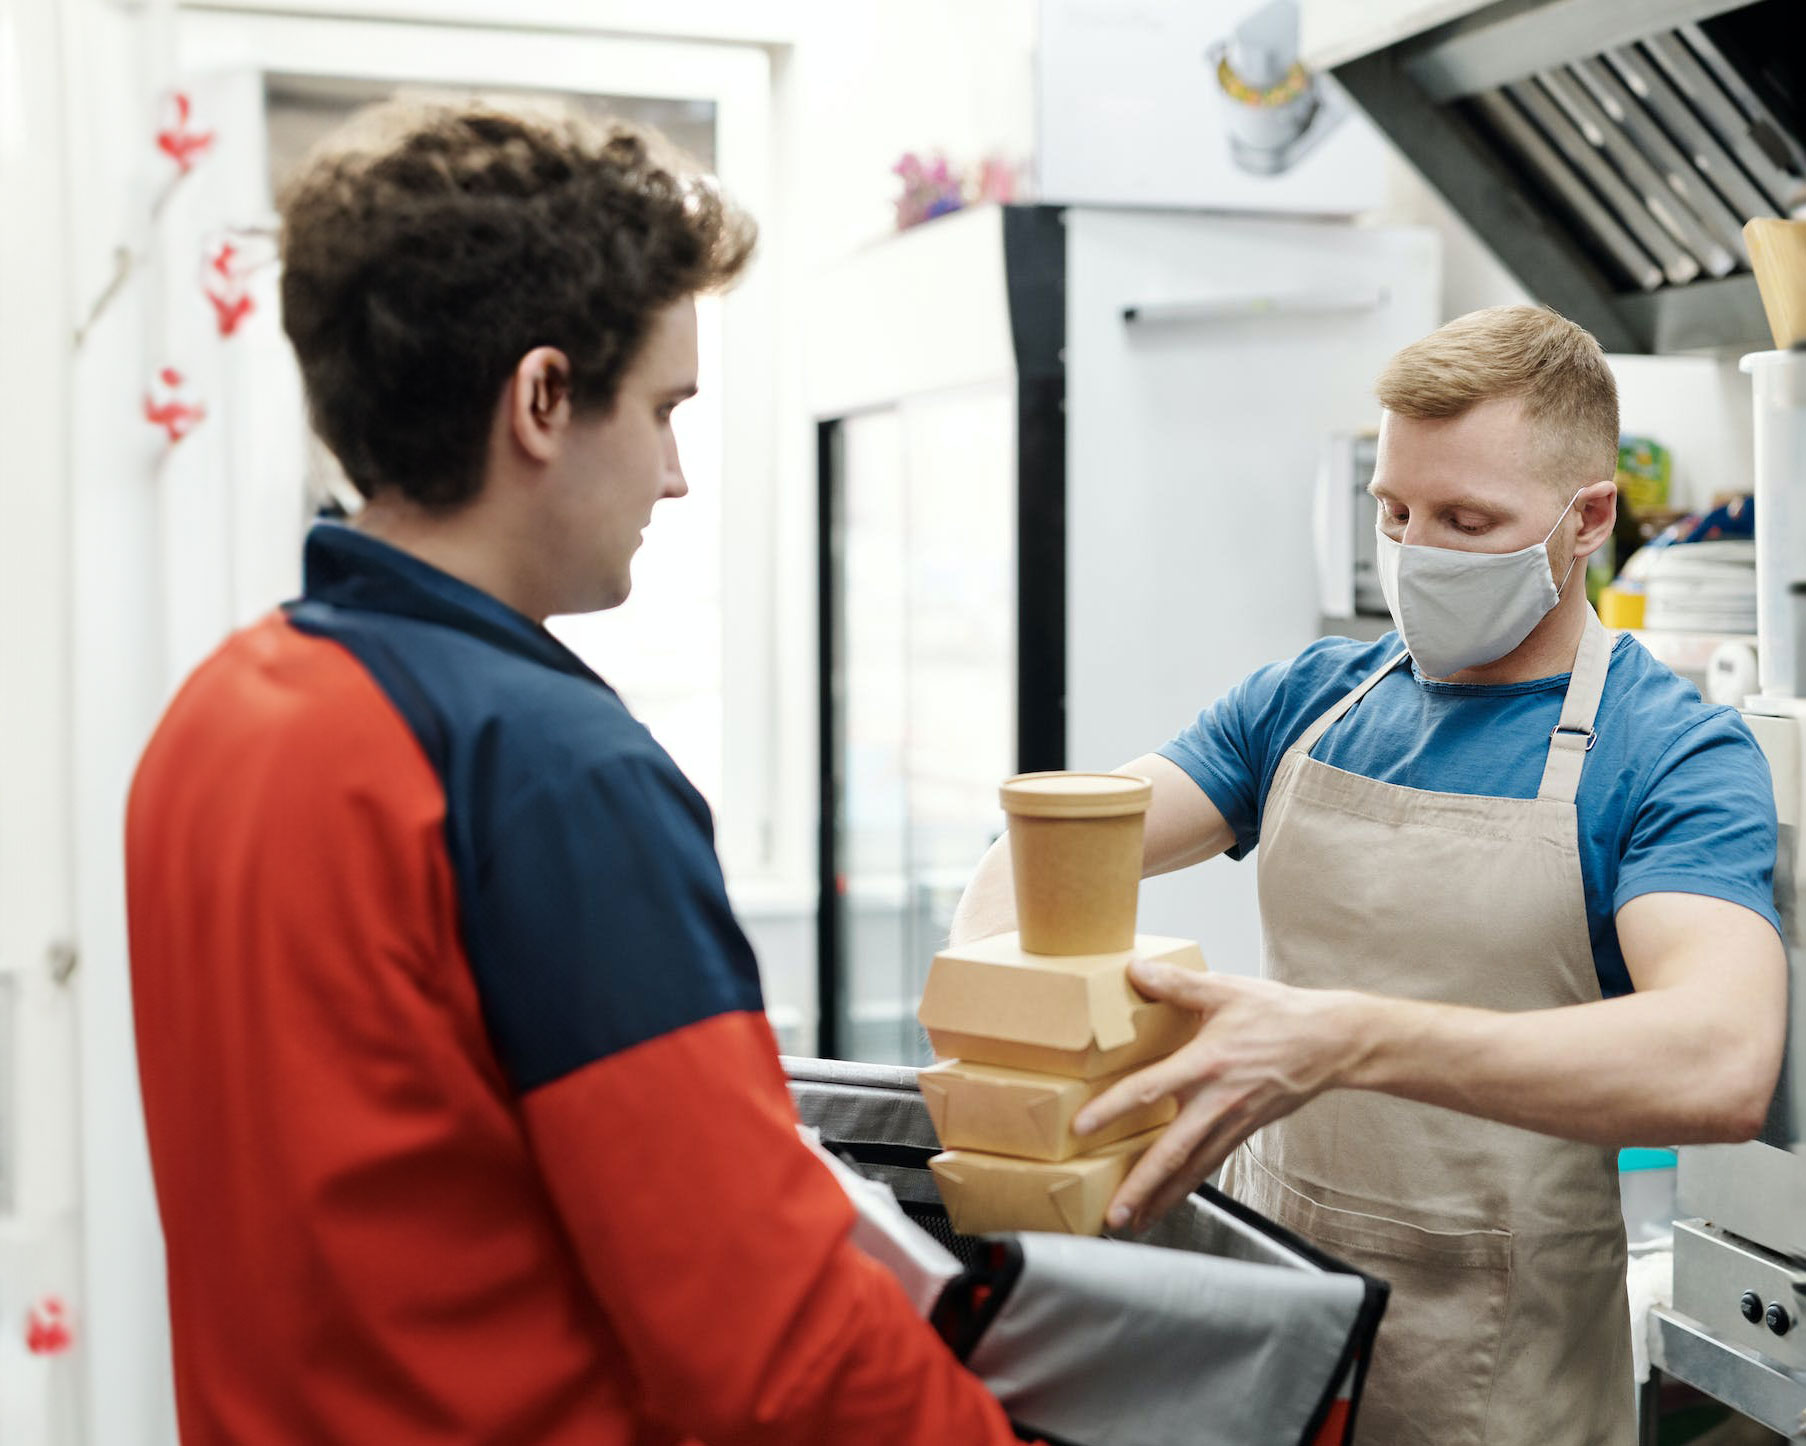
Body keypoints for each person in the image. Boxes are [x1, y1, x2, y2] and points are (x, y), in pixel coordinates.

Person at [126, 103, 1019, 1445]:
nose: (670, 476)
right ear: (542, 398)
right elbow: (767, 1346)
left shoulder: (218, 711)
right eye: (663, 409)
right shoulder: (542, 766)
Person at [950, 305, 1787, 1445]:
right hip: (1273, 1333)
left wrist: (1341, 1037)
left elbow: (1721, 1060)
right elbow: (1050, 854)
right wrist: (1005, 1079)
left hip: (1500, 1377)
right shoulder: (1306, 702)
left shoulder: (1669, 751)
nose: (1415, 550)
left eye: (1466, 520)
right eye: (1394, 511)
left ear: (1588, 518)